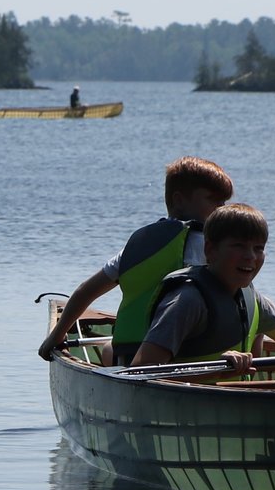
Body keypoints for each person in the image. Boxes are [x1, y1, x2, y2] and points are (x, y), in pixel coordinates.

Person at [38, 156, 234, 365]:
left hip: (134, 355)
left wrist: (55, 337)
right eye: (213, 200)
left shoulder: (141, 246)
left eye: (224, 202)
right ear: (179, 200)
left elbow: (85, 291)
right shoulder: (210, 246)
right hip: (193, 357)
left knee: (108, 348)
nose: (221, 209)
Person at [128, 204, 275, 370]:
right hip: (188, 411)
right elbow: (143, 367)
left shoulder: (250, 298)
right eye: (239, 246)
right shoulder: (187, 300)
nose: (250, 257)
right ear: (210, 250)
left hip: (228, 406)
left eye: (258, 248)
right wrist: (216, 367)